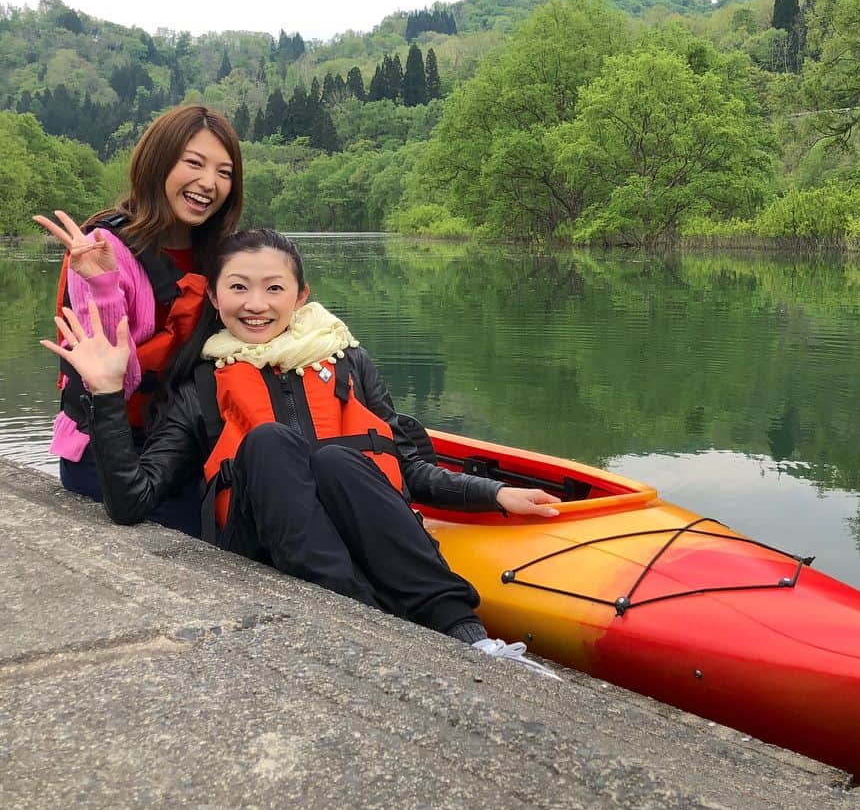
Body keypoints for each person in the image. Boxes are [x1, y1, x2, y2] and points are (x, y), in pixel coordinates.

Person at [42, 228, 561, 677]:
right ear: (216, 301)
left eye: (274, 288)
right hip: (271, 547)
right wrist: (107, 391)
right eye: (238, 288)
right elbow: (133, 500)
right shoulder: (198, 385)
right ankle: (364, 615)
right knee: (269, 441)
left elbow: (406, 466)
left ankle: (466, 633)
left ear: (300, 294)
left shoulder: (349, 361)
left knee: (337, 458)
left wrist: (494, 493)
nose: (256, 304)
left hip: (364, 527)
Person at [34, 105, 244, 534]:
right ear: (157, 162)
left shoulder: (222, 254)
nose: (209, 183)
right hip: (112, 451)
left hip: (185, 442)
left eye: (224, 172)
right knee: (210, 539)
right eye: (194, 163)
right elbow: (115, 381)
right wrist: (106, 288)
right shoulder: (99, 252)